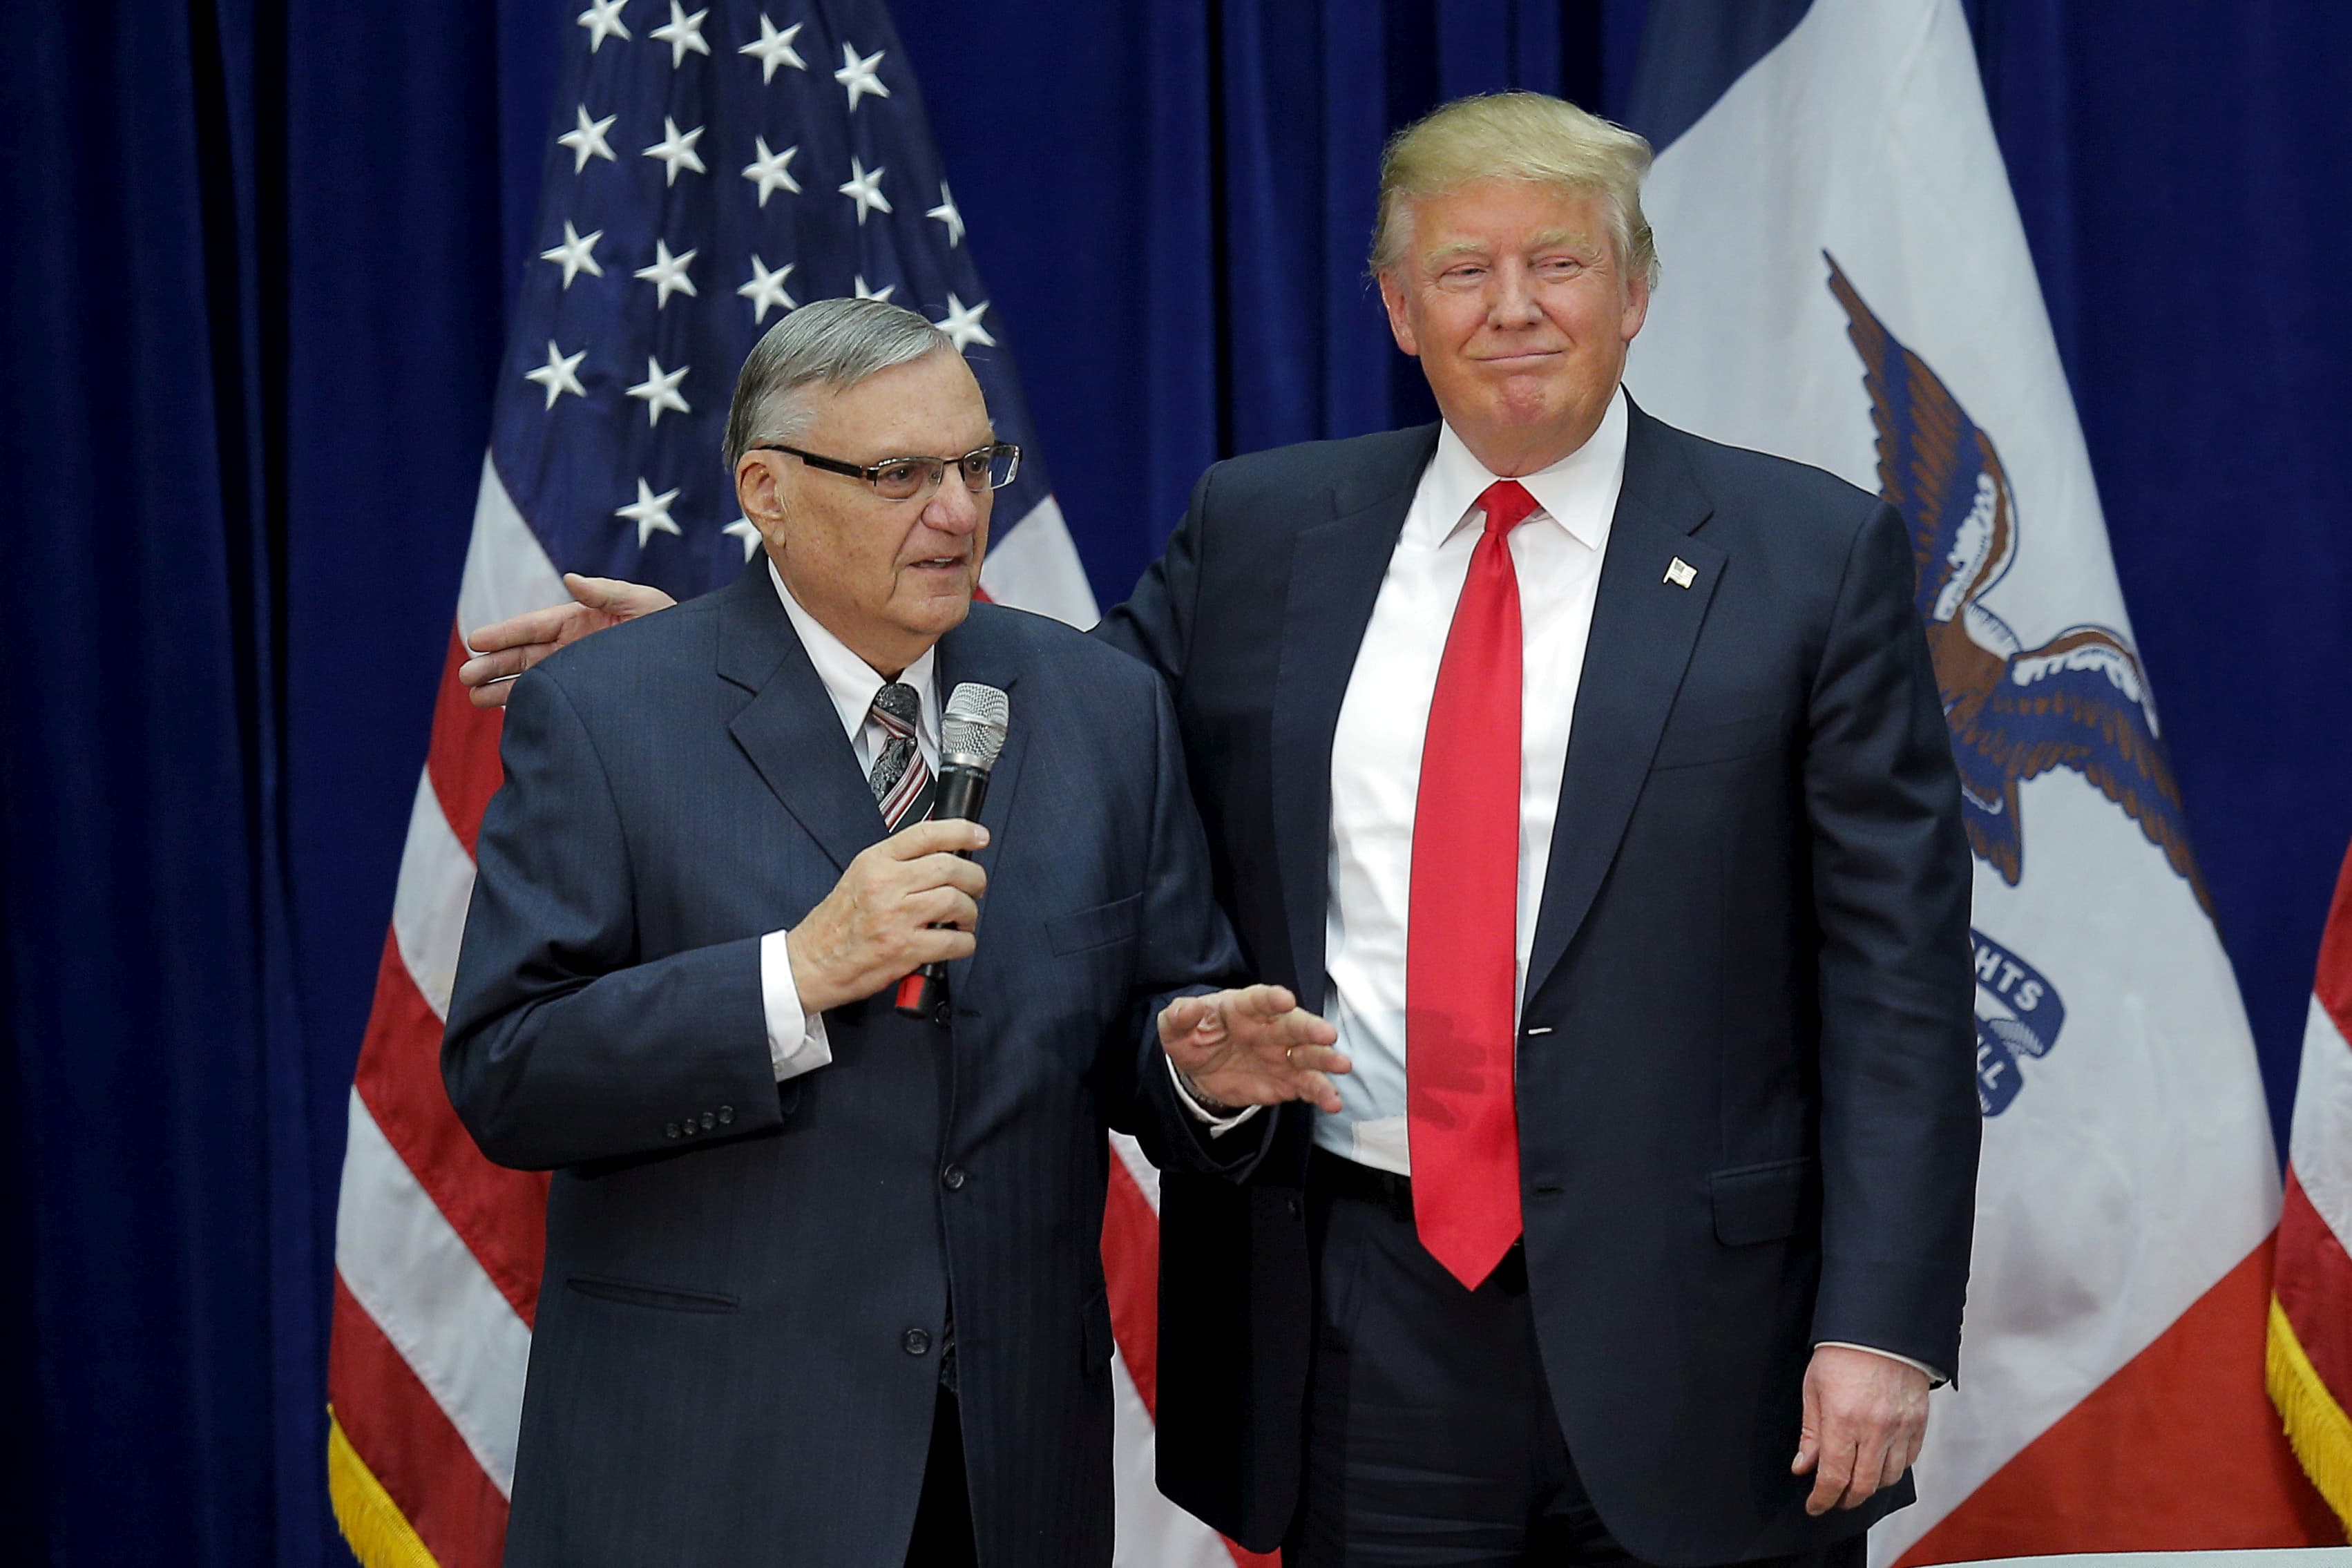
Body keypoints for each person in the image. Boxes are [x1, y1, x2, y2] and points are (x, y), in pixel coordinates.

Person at [461, 93, 1979, 1568]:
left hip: (1705, 1335)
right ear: (1397, 308)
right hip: (1356, 1309)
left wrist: (1879, 1321)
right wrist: (742, 664)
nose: (1510, 308)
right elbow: (1047, 725)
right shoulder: (1261, 532)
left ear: (1634, 291)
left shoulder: (1806, 556)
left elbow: (1896, 978)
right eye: (1462, 268)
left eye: (1558, 261)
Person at [442, 297, 1344, 1568]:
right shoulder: (608, 712)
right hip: (712, 1464)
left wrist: (1197, 1071)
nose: (959, 510)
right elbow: (508, 1072)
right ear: (766, 489)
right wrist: (793, 974)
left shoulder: (1101, 708)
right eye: (896, 473)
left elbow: (1151, 1018)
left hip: (1006, 1470)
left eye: (978, 464)